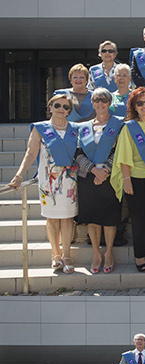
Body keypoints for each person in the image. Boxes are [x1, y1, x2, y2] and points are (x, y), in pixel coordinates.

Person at [8, 94, 78, 275]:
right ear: (50, 107)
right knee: (52, 218)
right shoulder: (40, 128)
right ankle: (56, 254)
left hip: (69, 180)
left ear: (69, 111)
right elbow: (31, 154)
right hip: (48, 180)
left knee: (68, 218)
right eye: (57, 105)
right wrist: (19, 175)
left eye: (65, 106)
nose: (61, 109)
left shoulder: (75, 129)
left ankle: (68, 255)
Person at [111, 87, 145, 272]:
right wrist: (126, 180)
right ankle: (139, 256)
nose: (144, 106)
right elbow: (124, 156)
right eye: (139, 103)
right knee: (140, 220)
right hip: (136, 180)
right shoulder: (129, 128)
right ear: (133, 106)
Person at [76, 88, 123, 274]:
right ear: (92, 103)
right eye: (96, 101)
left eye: (104, 101)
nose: (100, 104)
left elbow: (120, 150)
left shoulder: (118, 124)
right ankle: (96, 253)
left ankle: (109, 253)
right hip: (88, 178)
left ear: (109, 103)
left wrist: (105, 171)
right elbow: (78, 153)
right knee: (93, 219)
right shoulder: (83, 127)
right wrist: (93, 170)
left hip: (109, 178)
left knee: (109, 218)